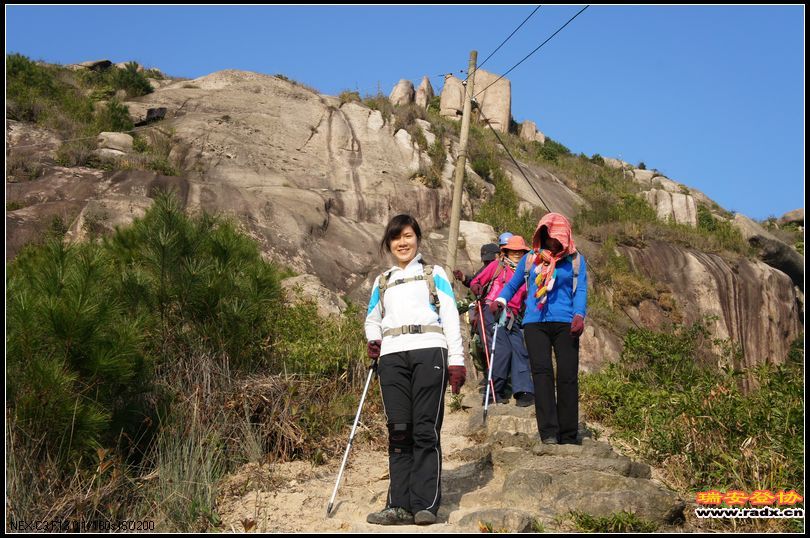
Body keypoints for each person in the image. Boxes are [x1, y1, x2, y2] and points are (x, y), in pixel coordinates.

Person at [364, 214, 465, 526]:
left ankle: (425, 505)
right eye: (396, 238)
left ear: (417, 238)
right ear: (389, 244)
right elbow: (372, 319)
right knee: (398, 431)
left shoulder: (435, 275)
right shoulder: (383, 281)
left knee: (424, 429)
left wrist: (457, 361)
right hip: (392, 358)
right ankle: (398, 505)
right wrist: (374, 339)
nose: (402, 243)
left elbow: (449, 316)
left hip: (429, 351)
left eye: (407, 235)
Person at [492, 213, 587, 445]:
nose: (553, 243)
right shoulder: (530, 260)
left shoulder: (575, 260)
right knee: (542, 376)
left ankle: (569, 434)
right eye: (549, 237)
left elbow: (580, 290)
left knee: (567, 377)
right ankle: (549, 433)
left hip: (566, 323)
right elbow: (514, 284)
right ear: (541, 235)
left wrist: (579, 315)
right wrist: (501, 300)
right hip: (535, 323)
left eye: (557, 239)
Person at [469, 235, 534, 407]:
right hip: (490, 310)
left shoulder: (526, 274)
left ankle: (524, 391)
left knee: (519, 350)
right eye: (513, 251)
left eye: (521, 251)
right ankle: (493, 392)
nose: (517, 254)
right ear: (506, 251)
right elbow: (477, 281)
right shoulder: (497, 266)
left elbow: (527, 300)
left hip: (511, 316)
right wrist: (476, 287)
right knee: (502, 349)